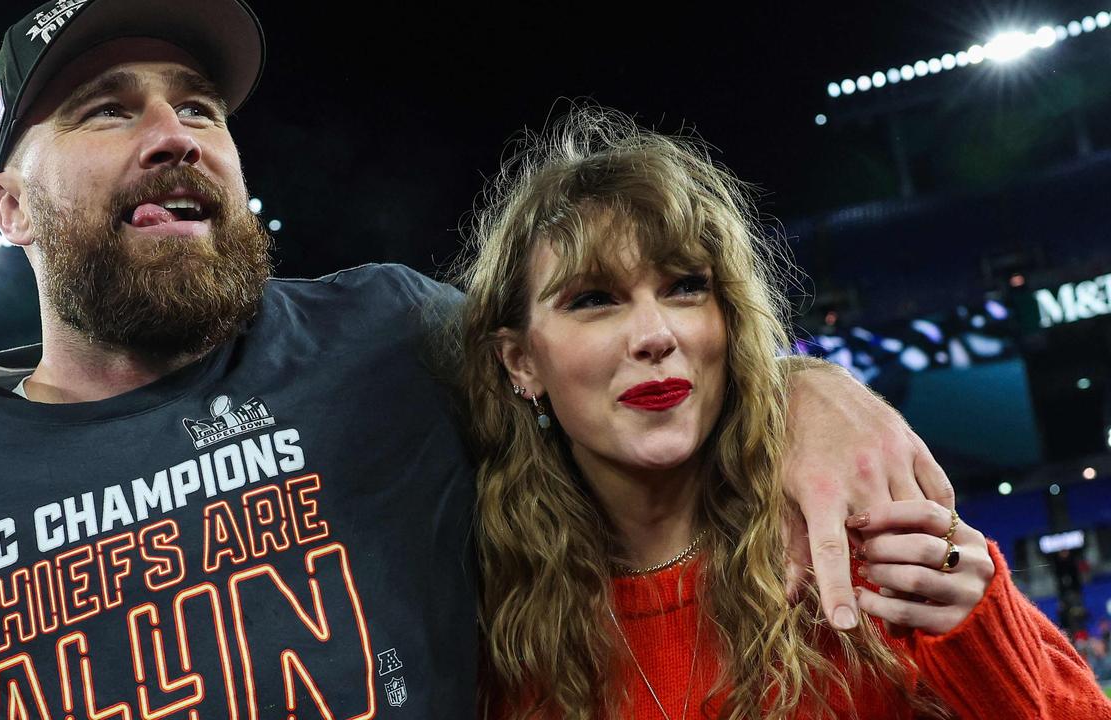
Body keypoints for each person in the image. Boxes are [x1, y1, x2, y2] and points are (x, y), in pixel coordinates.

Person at [0, 1, 956, 717]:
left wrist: (811, 389)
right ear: (6, 205)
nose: (173, 131)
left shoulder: (389, 336)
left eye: (199, 106)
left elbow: (612, 350)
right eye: (103, 111)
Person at [459, 108, 1111, 719]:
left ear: (729, 321)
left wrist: (982, 637)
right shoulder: (481, 623)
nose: (655, 335)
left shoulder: (853, 545)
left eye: (686, 286)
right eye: (594, 298)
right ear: (521, 362)